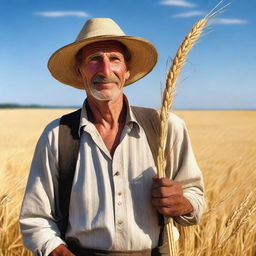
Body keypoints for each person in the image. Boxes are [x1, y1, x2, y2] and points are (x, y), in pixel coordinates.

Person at [19, 18, 204, 256]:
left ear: (126, 71)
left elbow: (195, 199)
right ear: (80, 71)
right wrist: (58, 251)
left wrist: (182, 203)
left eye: (114, 59)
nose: (105, 70)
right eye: (94, 59)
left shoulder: (166, 127)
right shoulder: (57, 135)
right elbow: (35, 218)